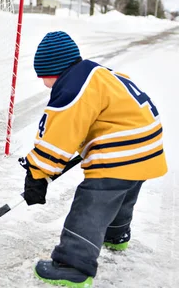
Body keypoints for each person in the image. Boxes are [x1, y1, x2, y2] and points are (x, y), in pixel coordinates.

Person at [21, 31, 167, 287]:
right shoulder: (97, 73)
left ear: (52, 69)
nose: (45, 84)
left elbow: (58, 134)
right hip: (146, 147)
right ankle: (116, 234)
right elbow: (101, 116)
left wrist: (37, 172)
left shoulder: (72, 87)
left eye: (44, 77)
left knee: (92, 204)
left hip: (120, 153)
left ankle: (72, 266)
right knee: (122, 193)